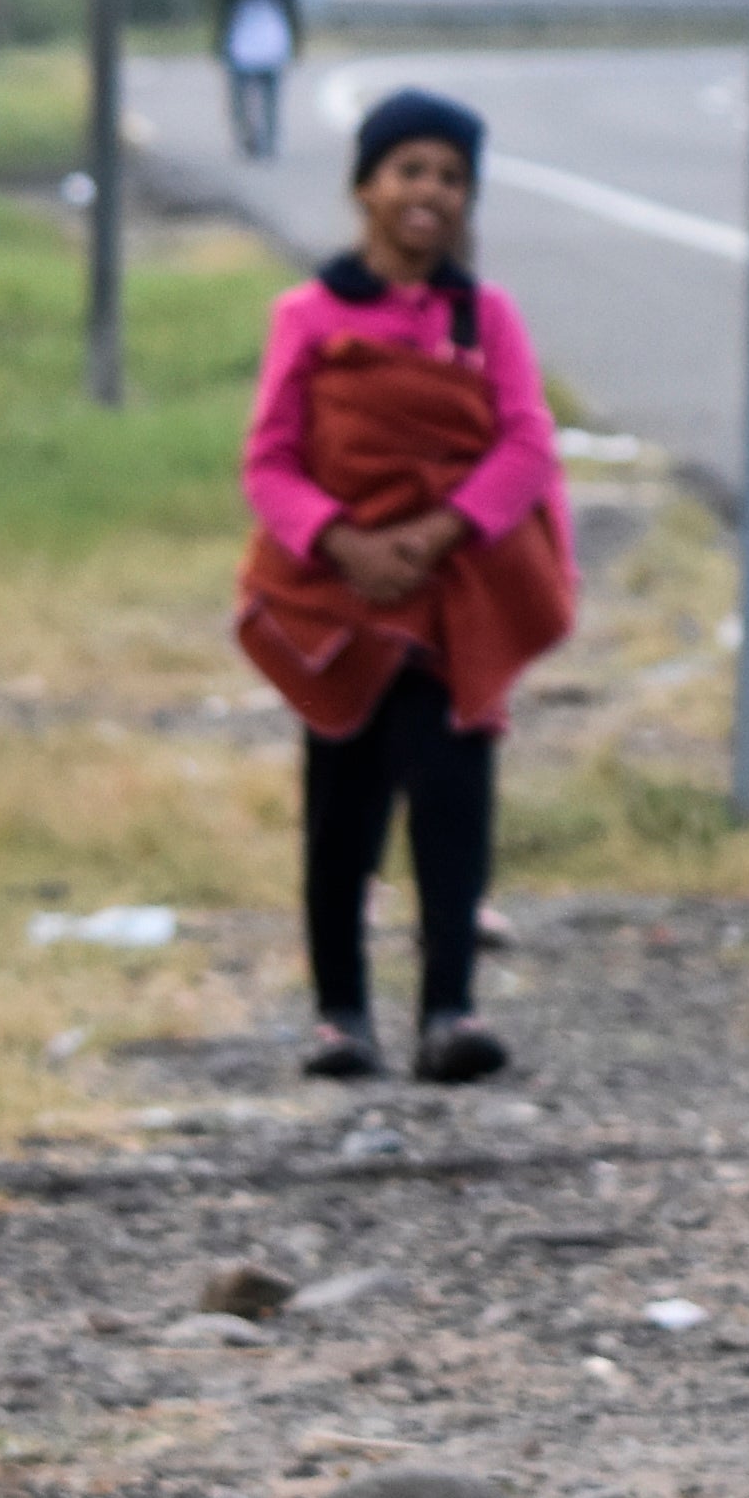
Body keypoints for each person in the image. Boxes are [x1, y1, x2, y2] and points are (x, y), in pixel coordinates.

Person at [235, 89, 574, 1086]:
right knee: (340, 808)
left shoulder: (488, 318)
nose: (428, 193)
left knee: (450, 801)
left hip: (452, 600)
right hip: (339, 603)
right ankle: (340, 1018)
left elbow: (525, 443)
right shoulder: (306, 314)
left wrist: (437, 532)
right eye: (409, 171)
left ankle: (448, 1014)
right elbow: (271, 460)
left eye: (450, 178)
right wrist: (340, 542)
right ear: (367, 187)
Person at [218, 0, 302, 162]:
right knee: (240, 98)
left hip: (271, 43)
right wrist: (222, 41)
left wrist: (296, 40)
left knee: (270, 98)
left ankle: (269, 140)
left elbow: (290, 10)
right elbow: (225, 11)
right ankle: (245, 138)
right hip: (242, 43)